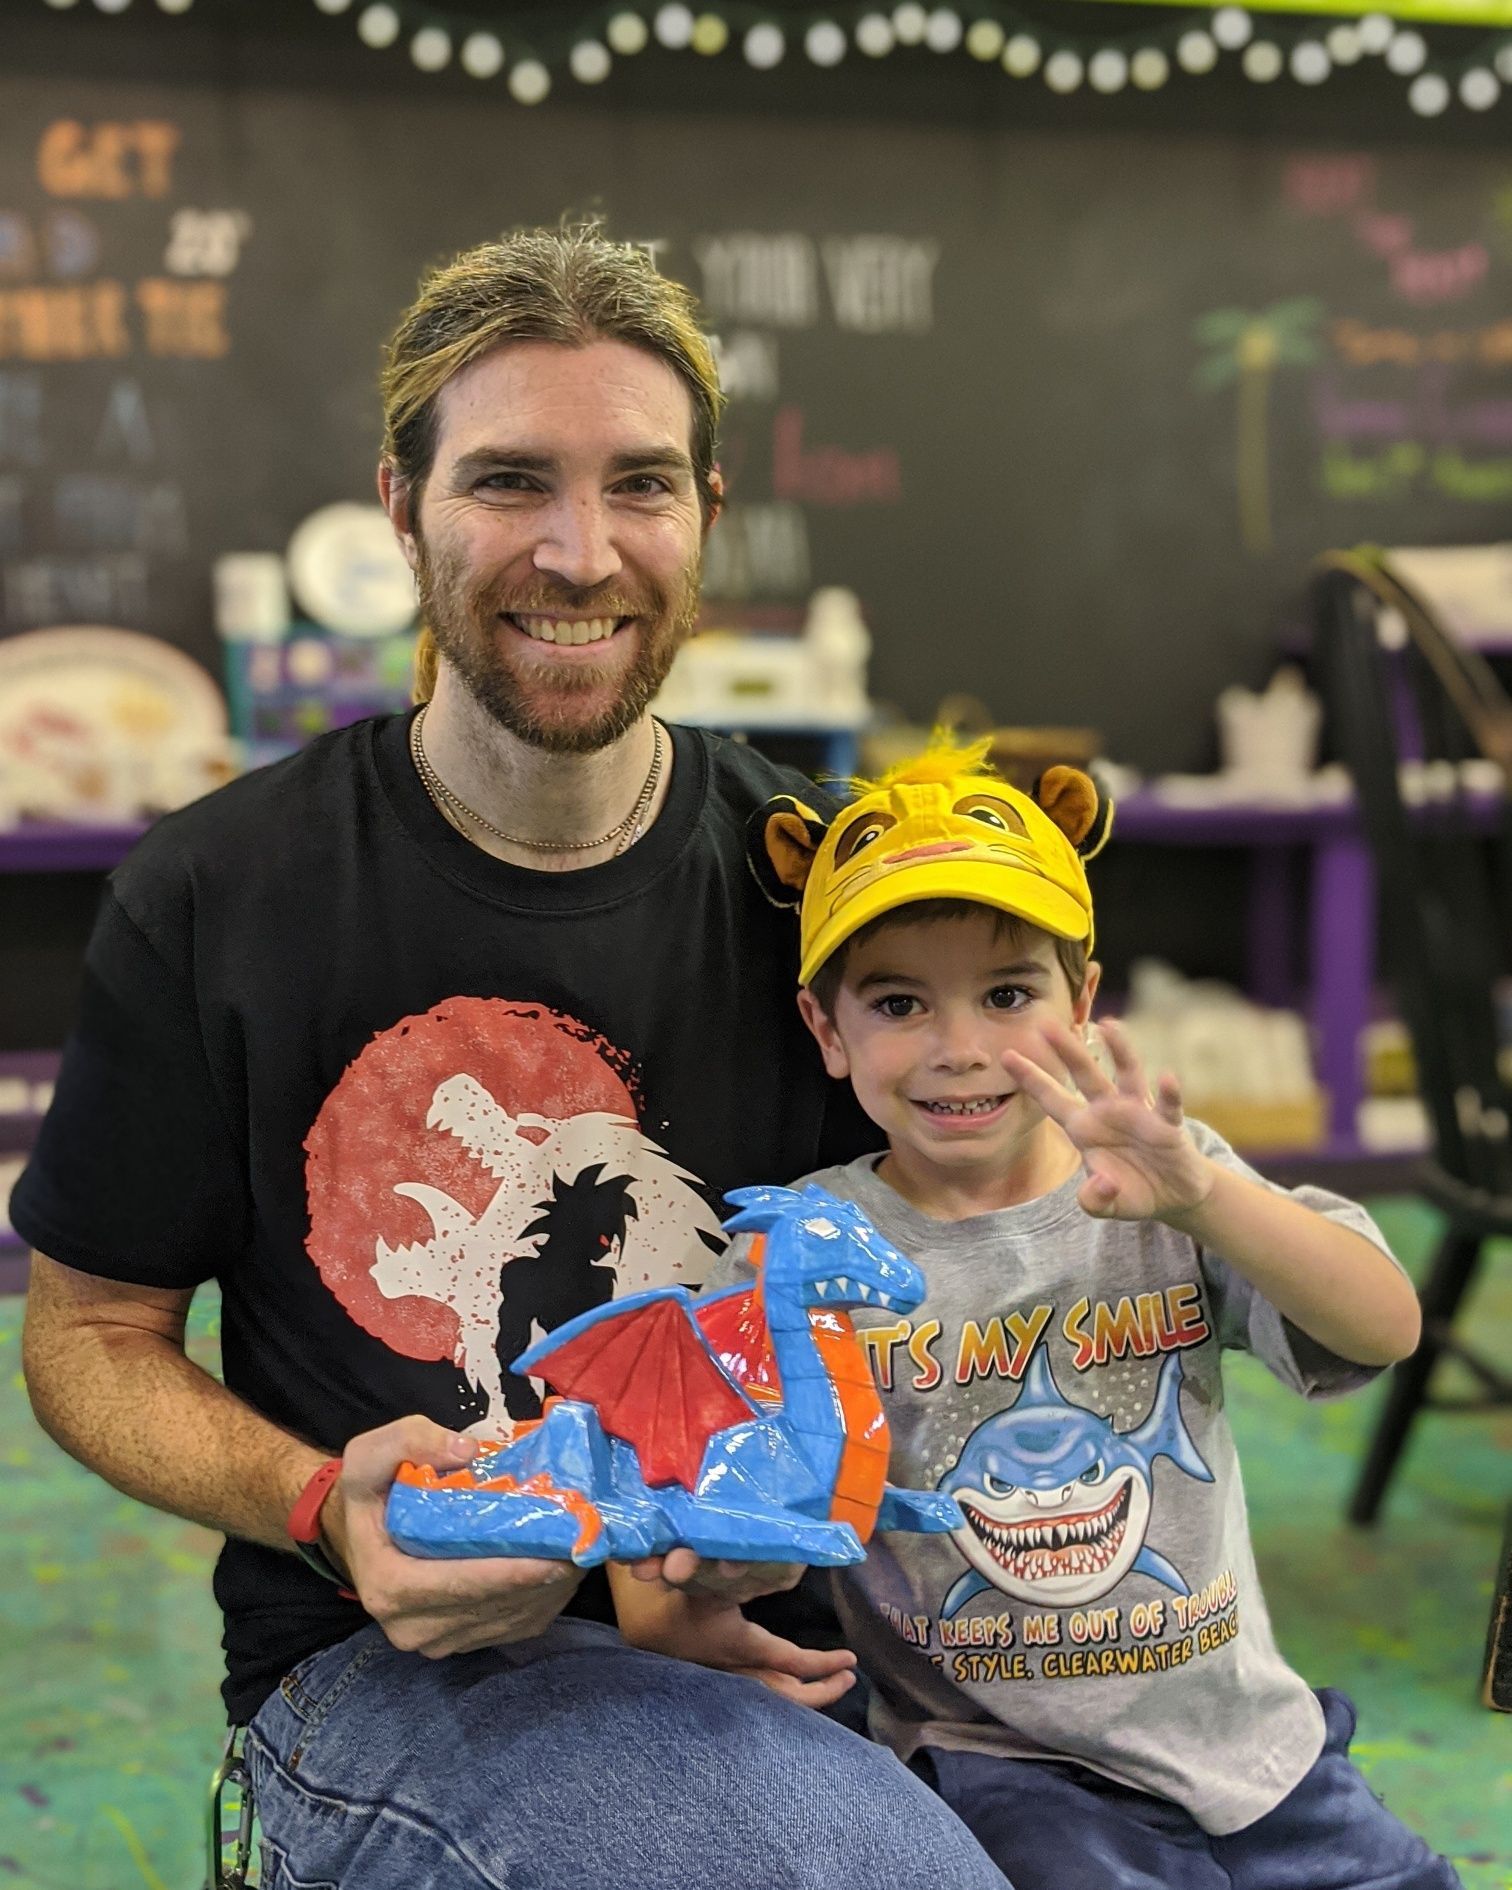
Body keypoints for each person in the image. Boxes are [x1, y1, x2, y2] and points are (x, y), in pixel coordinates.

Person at [14, 231, 1015, 1890]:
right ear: (400, 507)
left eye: (640, 485)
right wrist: (323, 1502)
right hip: (398, 1668)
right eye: (507, 481)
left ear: (705, 511)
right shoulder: (216, 895)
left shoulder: (829, 889)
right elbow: (88, 1336)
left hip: (811, 1633)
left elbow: (1005, 1225)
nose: (579, 551)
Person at [621, 736, 1461, 1889]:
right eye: (899, 1003)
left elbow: (1386, 1326)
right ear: (826, 1030)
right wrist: (698, 1575)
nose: (960, 1050)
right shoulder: (800, 1245)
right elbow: (686, 1481)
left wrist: (1208, 1200)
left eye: (1008, 994)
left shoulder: (1166, 1185)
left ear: (1085, 1003)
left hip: (1255, 1751)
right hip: (1005, 1771)